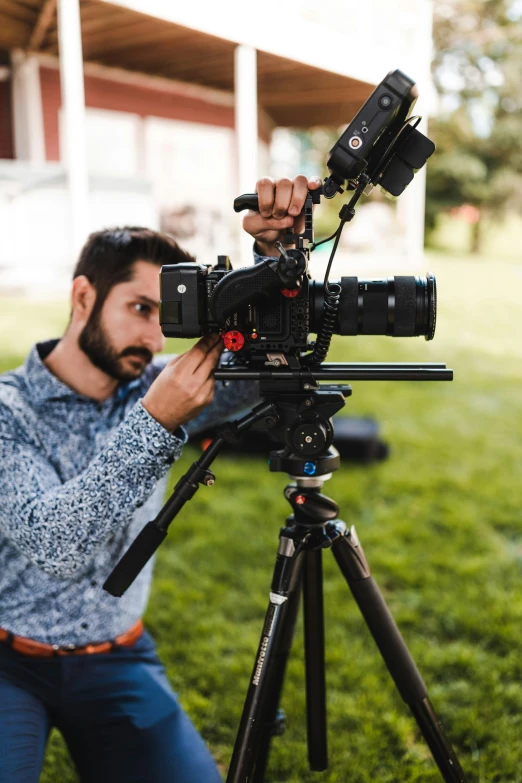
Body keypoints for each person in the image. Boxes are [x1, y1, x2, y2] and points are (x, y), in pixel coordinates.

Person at [0, 174, 322, 783]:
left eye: (165, 315)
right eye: (140, 309)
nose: (154, 339)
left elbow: (274, 363)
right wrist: (154, 423)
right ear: (83, 298)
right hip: (8, 657)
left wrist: (276, 256)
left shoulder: (157, 383)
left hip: (119, 658)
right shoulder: (8, 409)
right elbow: (54, 544)